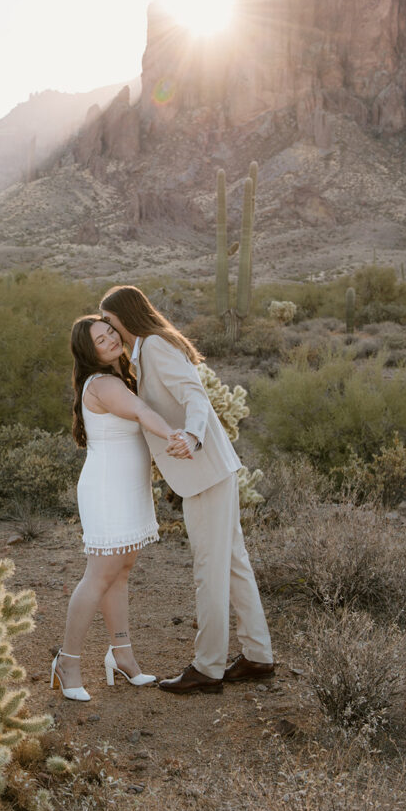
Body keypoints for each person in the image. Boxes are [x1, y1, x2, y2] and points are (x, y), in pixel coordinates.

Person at [99, 286, 274, 694]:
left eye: (108, 319)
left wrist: (193, 435)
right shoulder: (144, 351)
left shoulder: (156, 346)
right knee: (232, 563)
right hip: (211, 471)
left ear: (125, 316)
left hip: (205, 470)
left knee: (209, 569)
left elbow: (195, 395)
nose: (106, 327)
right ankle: (258, 655)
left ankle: (208, 668)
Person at [51, 315, 193, 702]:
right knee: (99, 575)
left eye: (111, 331)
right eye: (101, 338)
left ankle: (123, 655)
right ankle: (68, 661)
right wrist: (176, 435)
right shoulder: (104, 384)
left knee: (121, 572)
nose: (111, 339)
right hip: (107, 489)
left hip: (128, 488)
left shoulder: (121, 379)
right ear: (89, 350)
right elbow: (144, 415)